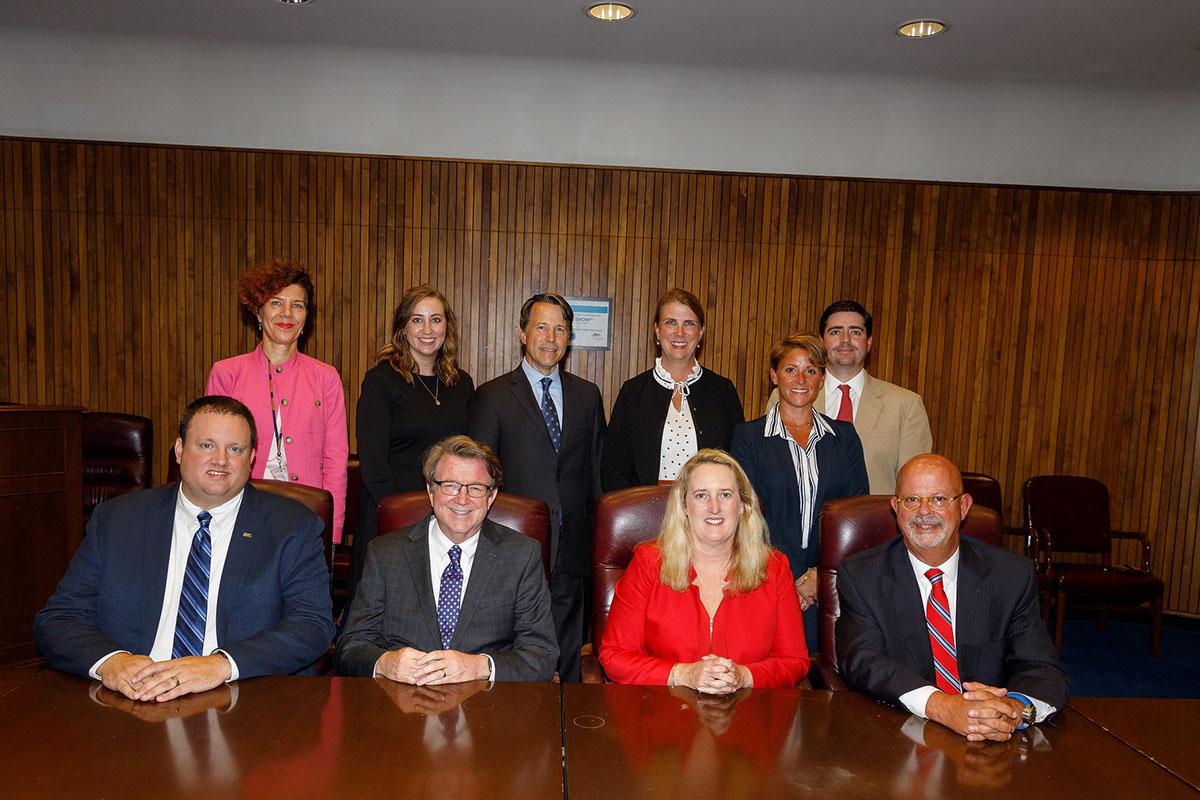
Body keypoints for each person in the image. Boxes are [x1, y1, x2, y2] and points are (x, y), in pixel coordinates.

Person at [34, 395, 335, 702]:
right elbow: (59, 619)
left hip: (240, 699)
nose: (221, 460)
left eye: (235, 449)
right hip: (132, 699)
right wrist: (111, 661)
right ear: (179, 450)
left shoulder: (292, 526)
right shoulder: (118, 520)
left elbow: (312, 626)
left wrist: (221, 665)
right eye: (206, 445)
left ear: (252, 457)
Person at [836, 454, 1069, 741]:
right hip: (899, 737)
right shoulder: (862, 574)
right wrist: (943, 707)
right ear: (896, 508)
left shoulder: (1012, 575)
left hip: (992, 743)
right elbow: (863, 660)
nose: (924, 512)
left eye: (939, 499)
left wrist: (1012, 709)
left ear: (964, 506)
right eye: (911, 500)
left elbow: (1041, 667)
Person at [335, 435, 558, 682]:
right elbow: (350, 647)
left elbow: (542, 655)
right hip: (400, 706)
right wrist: (385, 663)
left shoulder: (521, 556)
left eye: (475, 488)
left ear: (491, 496)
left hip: (487, 708)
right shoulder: (385, 552)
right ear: (431, 491)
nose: (462, 499)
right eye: (450, 485)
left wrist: (478, 666)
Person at [469, 293, 606, 682]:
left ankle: (566, 728)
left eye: (560, 329)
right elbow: (481, 477)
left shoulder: (587, 395)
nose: (551, 337)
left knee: (567, 649)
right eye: (542, 327)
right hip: (514, 542)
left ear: (569, 338)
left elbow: (596, 473)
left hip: (574, 545)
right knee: (514, 644)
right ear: (522, 334)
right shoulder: (492, 396)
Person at [599, 449, 809, 690]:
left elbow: (794, 661)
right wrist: (685, 674)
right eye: (701, 495)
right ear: (684, 506)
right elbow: (614, 656)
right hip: (663, 715)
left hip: (750, 715)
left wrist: (743, 676)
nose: (714, 507)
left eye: (725, 495)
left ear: (742, 505)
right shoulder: (648, 563)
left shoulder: (774, 568)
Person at [731, 333, 868, 651]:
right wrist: (788, 578)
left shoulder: (844, 437)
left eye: (811, 370)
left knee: (821, 685)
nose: (801, 379)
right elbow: (747, 513)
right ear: (774, 375)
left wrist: (818, 575)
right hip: (765, 581)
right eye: (790, 369)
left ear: (822, 378)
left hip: (826, 587)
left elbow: (854, 514)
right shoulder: (748, 437)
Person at [205, 258, 349, 543]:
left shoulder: (326, 377)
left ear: (306, 315)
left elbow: (335, 460)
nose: (287, 313)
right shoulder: (226, 373)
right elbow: (213, 454)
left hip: (306, 515)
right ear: (258, 312)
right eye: (276, 303)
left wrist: (332, 532)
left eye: (297, 305)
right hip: (239, 513)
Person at [347, 286, 474, 606]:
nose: (428, 330)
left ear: (448, 327)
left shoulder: (462, 383)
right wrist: (403, 515)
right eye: (418, 320)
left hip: (447, 513)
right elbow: (373, 465)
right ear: (403, 328)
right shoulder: (381, 380)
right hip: (390, 510)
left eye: (436, 319)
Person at [766, 300, 932, 494]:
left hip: (875, 522)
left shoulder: (906, 405)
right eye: (836, 332)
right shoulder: (783, 397)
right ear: (821, 341)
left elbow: (918, 487)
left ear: (869, 342)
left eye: (855, 332)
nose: (845, 339)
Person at [602, 288, 744, 491]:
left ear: (701, 332)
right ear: (657, 331)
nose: (680, 332)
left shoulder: (723, 391)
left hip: (708, 511)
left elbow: (738, 464)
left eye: (689, 323)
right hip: (645, 511)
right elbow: (614, 467)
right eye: (670, 322)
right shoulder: (632, 392)